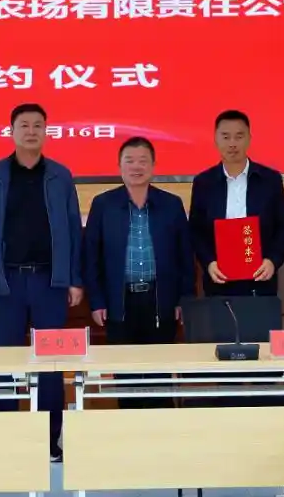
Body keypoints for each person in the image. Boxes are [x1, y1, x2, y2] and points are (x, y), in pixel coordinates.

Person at [0, 103, 83, 462]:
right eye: (24, 125)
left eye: (38, 125)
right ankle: (7, 439)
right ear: (12, 131)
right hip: (6, 281)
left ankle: (50, 440)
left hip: (50, 281)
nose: (31, 131)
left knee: (51, 363)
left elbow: (73, 230)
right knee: (6, 362)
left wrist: (74, 279)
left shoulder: (61, 176)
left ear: (46, 131)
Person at [83, 136, 194, 408]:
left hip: (160, 300)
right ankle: (130, 427)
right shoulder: (103, 204)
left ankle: (160, 430)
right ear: (119, 166)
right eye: (129, 161)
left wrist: (184, 299)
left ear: (153, 166)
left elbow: (185, 256)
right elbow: (91, 257)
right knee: (126, 377)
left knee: (159, 376)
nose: (136, 166)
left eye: (143, 161)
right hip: (119, 302)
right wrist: (96, 301)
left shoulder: (171, 204)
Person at [188, 110, 284, 297]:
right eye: (226, 137)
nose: (232, 143)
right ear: (216, 139)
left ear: (249, 139)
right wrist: (209, 262)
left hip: (260, 280)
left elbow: (283, 227)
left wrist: (272, 261)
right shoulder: (203, 182)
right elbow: (196, 230)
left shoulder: (270, 180)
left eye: (239, 136)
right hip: (218, 281)